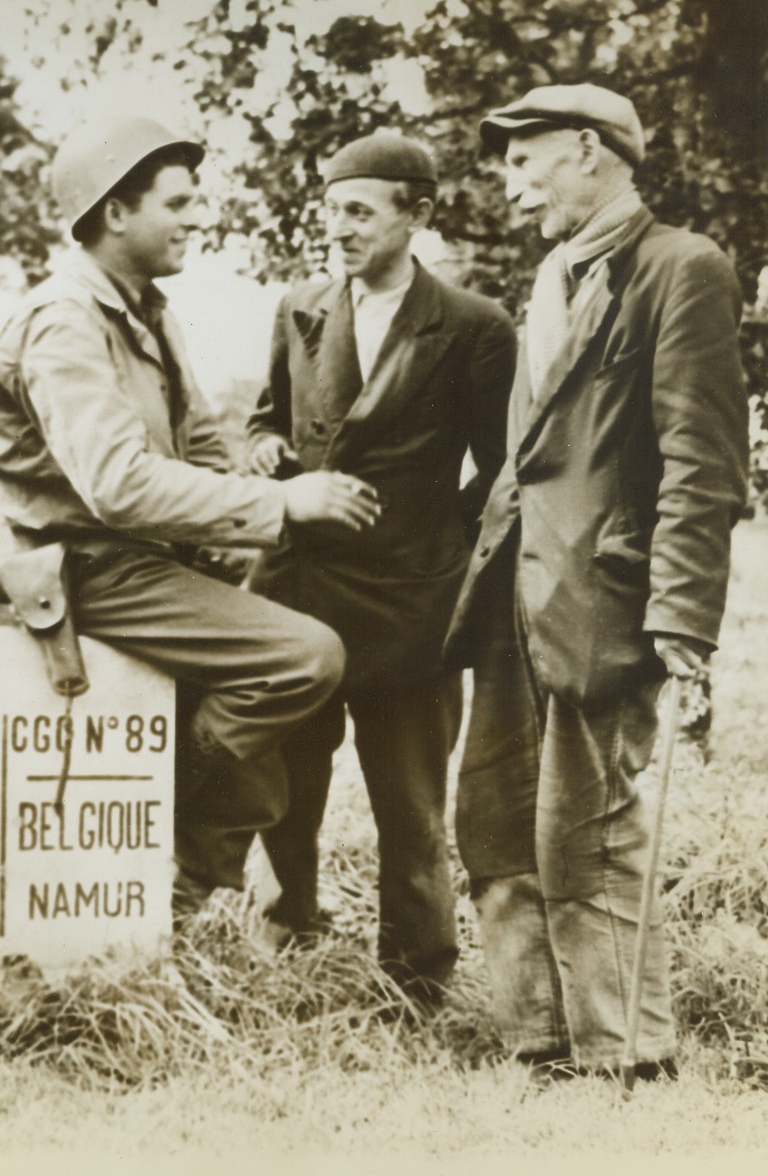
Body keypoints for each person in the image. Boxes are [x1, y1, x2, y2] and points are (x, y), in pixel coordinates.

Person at [0, 112, 382, 925]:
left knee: (262, 755)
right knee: (303, 658)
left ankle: (170, 916)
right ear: (114, 212)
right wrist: (278, 503)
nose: (198, 218)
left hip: (154, 562)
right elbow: (118, 487)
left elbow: (197, 442)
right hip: (88, 565)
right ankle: (158, 831)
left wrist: (255, 501)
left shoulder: (146, 311)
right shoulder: (63, 323)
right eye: (178, 203)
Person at [444, 84, 749, 1074]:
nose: (508, 181)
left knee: (590, 836)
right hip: (509, 601)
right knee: (490, 828)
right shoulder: (547, 276)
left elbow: (702, 466)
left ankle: (627, 1061)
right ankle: (541, 1046)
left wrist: (681, 622)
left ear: (587, 150)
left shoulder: (682, 269)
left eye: (523, 159)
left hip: (604, 603)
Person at [245, 131, 517, 1002]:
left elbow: (507, 463)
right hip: (301, 592)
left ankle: (419, 980)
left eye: (358, 212)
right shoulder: (300, 307)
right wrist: (264, 454)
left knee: (410, 807)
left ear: (419, 214)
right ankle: (285, 950)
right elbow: (265, 419)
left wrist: (439, 535)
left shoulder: (473, 325)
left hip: (413, 603)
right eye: (330, 210)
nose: (338, 229)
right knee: (288, 785)